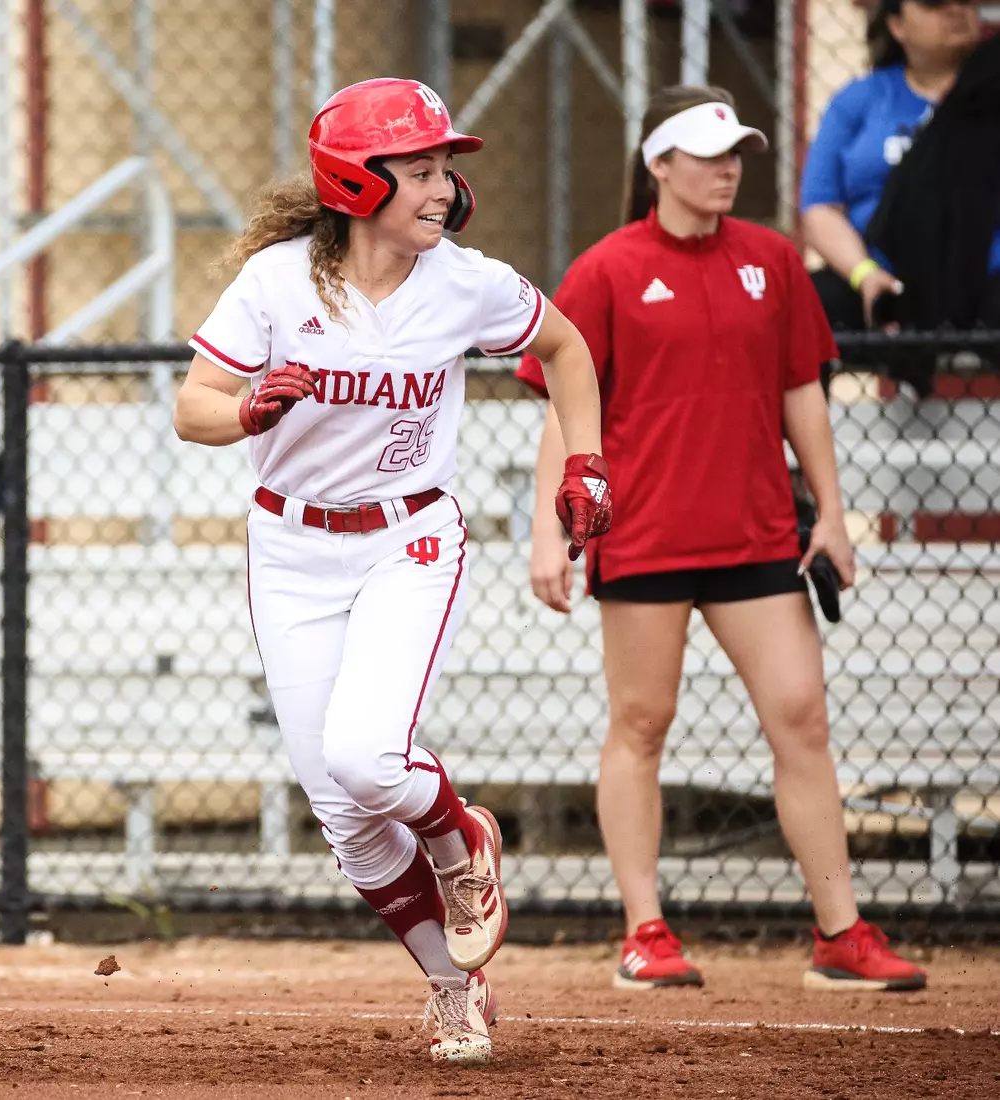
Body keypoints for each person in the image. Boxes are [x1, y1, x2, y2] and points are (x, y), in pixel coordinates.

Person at [174, 77, 611, 1062]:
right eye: (417, 169)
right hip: (290, 548)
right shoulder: (280, 281)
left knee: (370, 757)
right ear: (354, 182)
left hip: (407, 535)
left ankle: (462, 838)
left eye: (443, 167)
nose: (441, 187)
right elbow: (192, 404)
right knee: (342, 808)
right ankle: (457, 988)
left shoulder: (464, 280)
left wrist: (585, 460)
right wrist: (247, 410)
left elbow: (565, 345)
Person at [519, 86, 927, 993]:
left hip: (753, 536)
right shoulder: (607, 268)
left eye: (737, 151)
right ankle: (644, 931)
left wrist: (830, 511)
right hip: (646, 537)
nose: (728, 167)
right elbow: (564, 411)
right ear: (659, 166)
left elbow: (801, 395)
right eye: (706, 154)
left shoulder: (774, 261)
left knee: (802, 720)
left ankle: (839, 933)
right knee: (641, 725)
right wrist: (552, 532)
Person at [800, 0, 984, 333]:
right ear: (897, 25)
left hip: (984, 278)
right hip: (878, 273)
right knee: (807, 302)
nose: (956, 9)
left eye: (966, 0)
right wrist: (865, 274)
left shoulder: (991, 96)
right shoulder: (860, 99)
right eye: (935, 3)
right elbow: (819, 208)